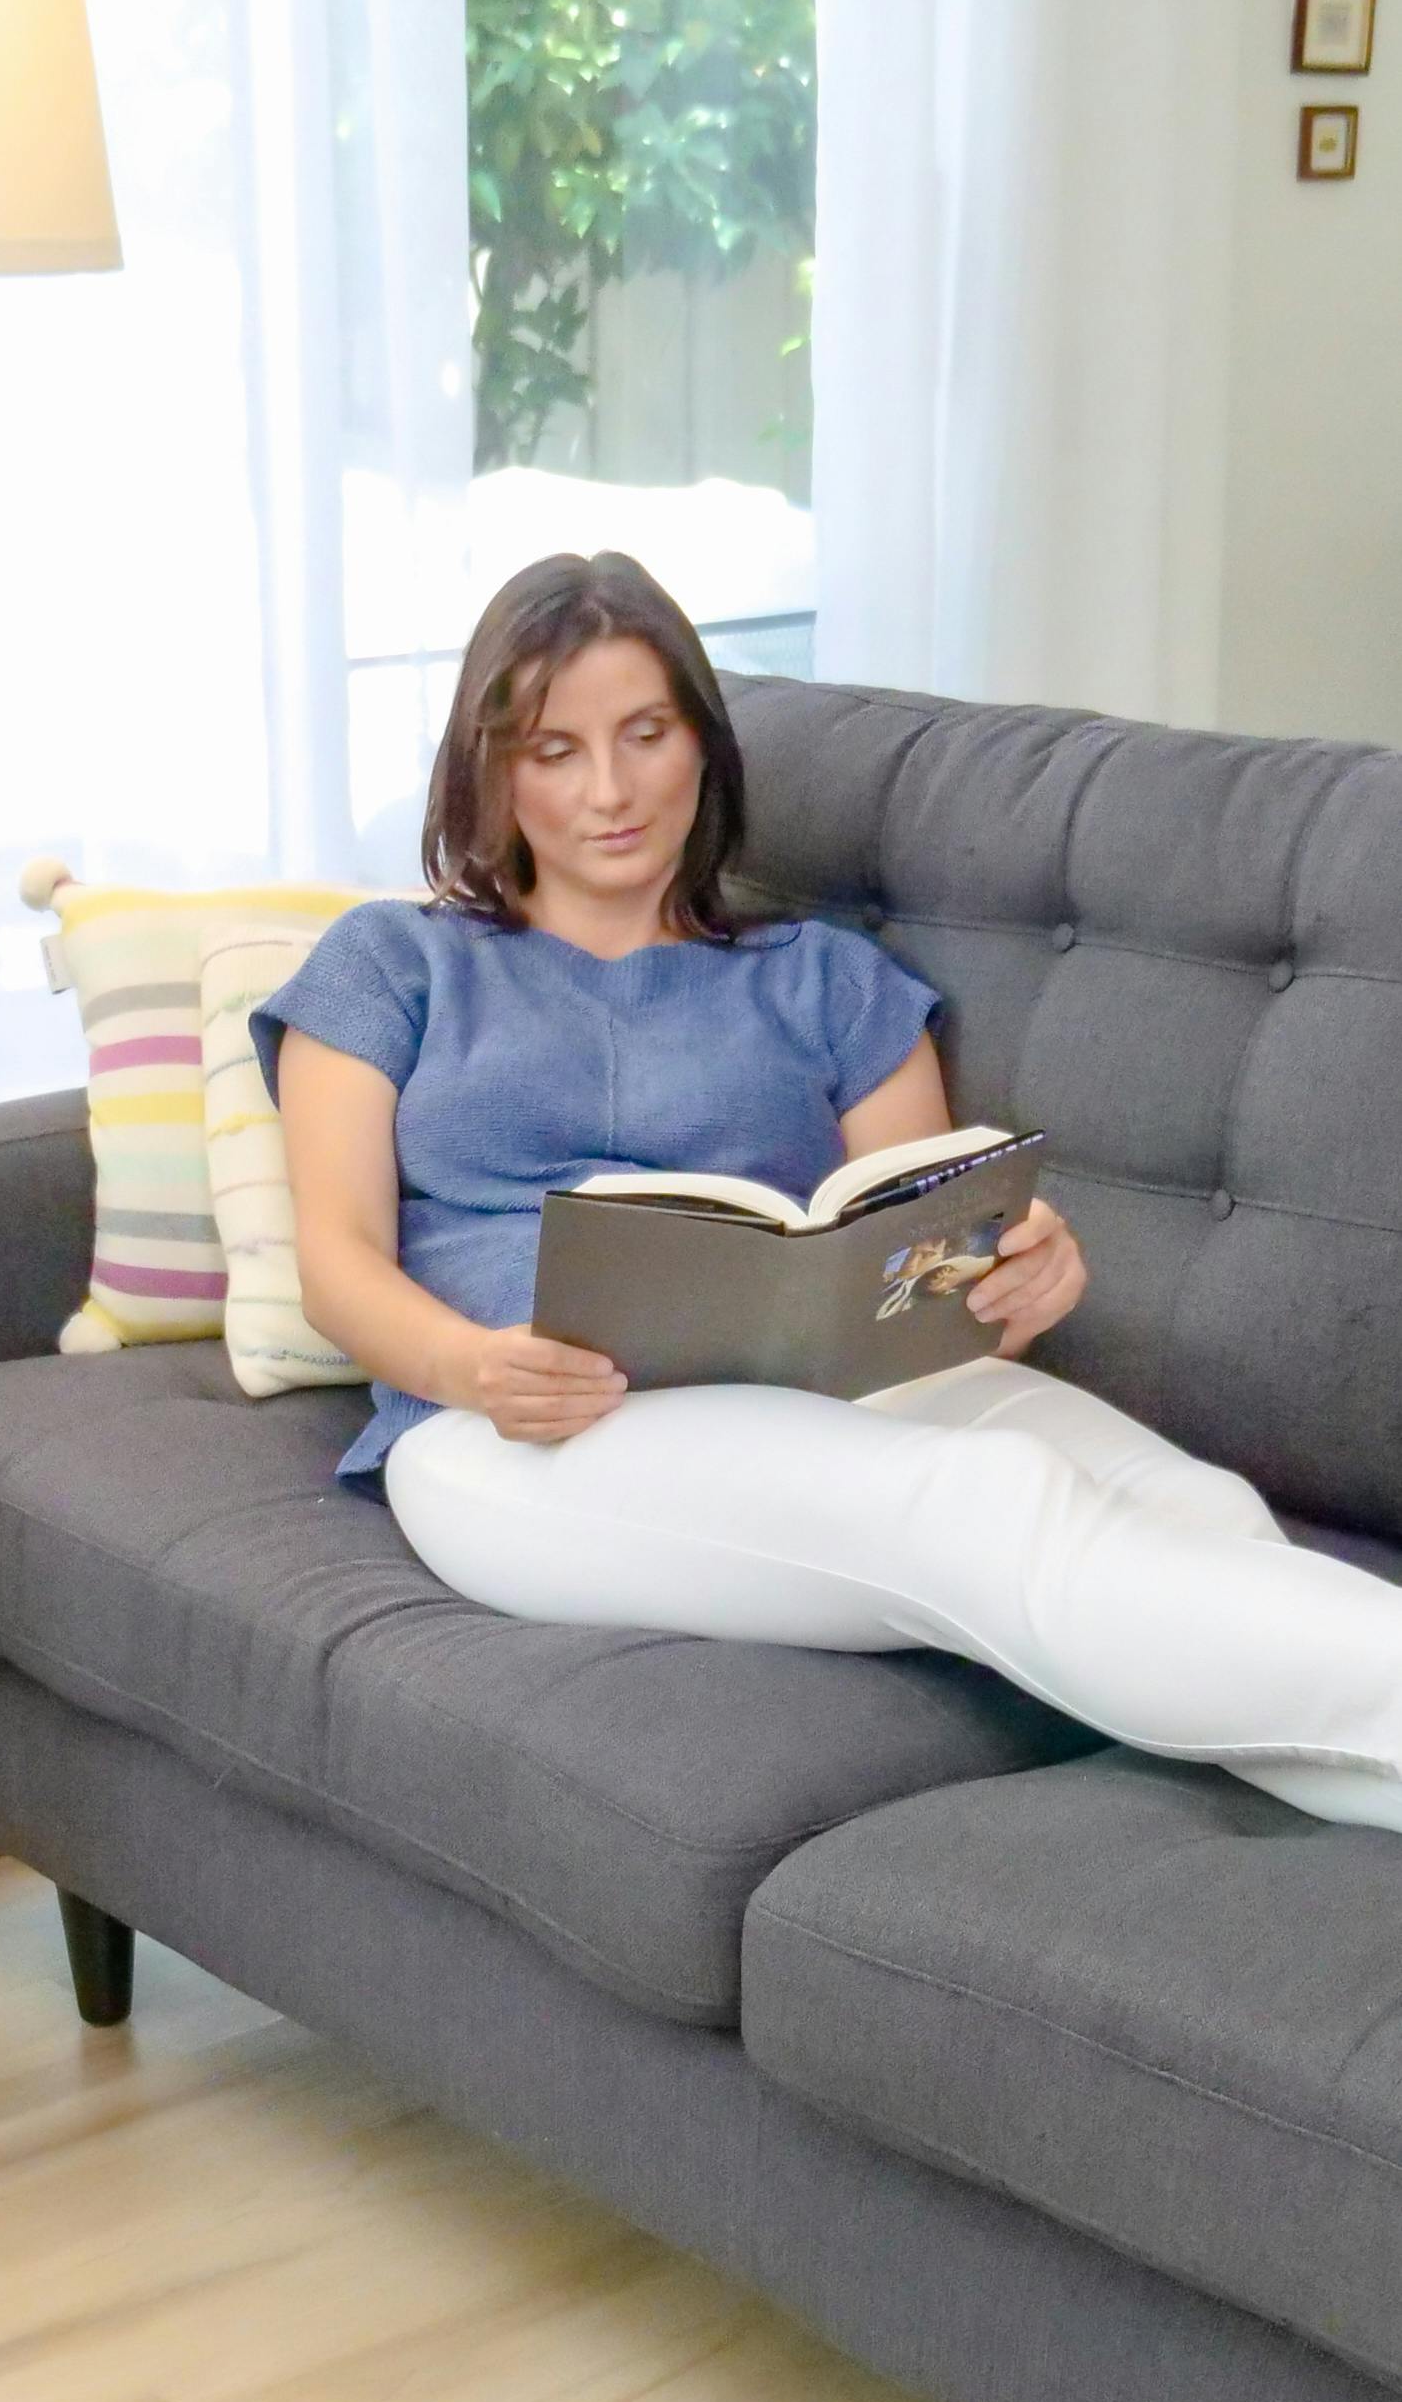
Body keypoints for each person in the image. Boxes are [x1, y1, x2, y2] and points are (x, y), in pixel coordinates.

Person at [257, 550, 1402, 1831]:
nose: (612, 791)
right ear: (492, 768)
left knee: (1198, 1508)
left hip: (833, 1392)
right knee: (991, 1506)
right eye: (554, 750)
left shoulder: (824, 979)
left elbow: (913, 1261)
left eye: (646, 734)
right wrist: (472, 1367)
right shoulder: (394, 962)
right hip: (517, 1434)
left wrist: (1015, 1280)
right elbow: (338, 1258)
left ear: (702, 743)